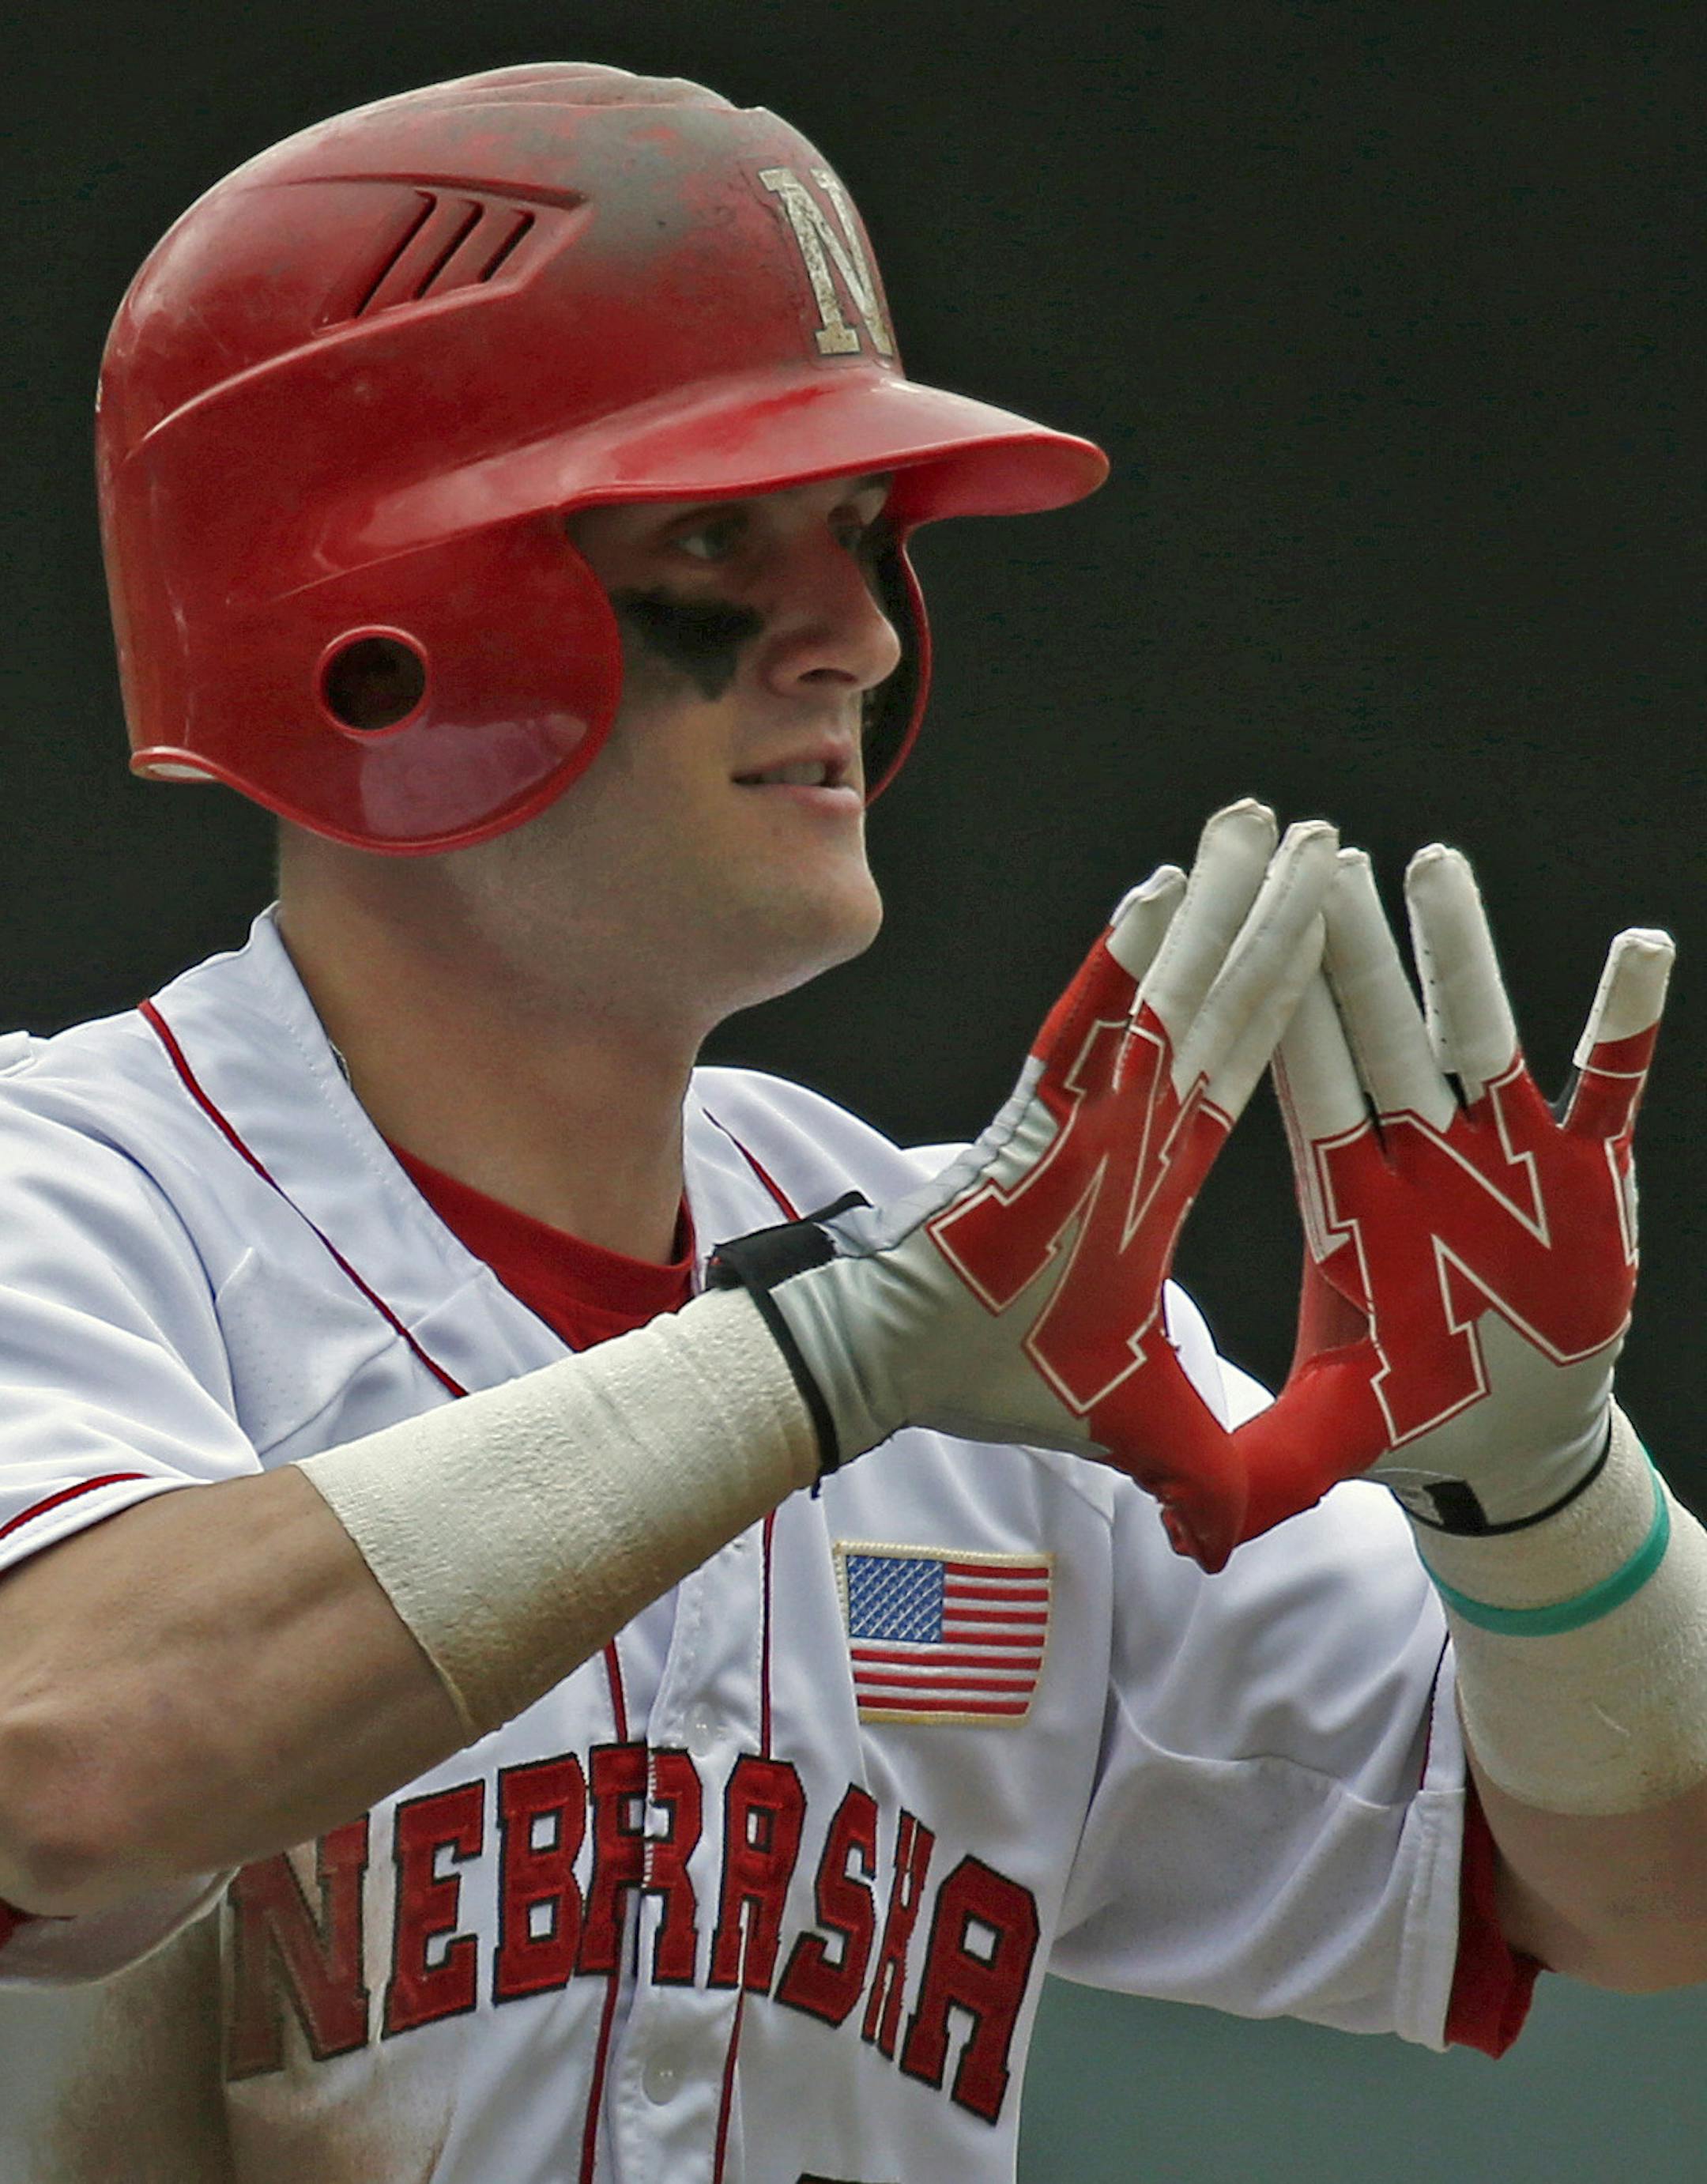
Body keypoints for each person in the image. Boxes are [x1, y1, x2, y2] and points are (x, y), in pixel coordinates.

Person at [0, 61, 1703, 2184]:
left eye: (866, 540)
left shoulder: (951, 1279)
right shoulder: (72, 1198)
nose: (862, 636)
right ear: (371, 637)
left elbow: (1640, 1884)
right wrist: (821, 1360)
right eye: (723, 538)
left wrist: (1544, 1505)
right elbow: (53, 1753)